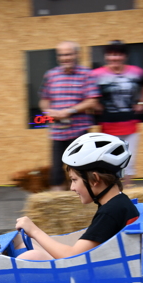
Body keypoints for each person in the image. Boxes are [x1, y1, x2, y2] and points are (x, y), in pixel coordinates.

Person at [15, 133, 138, 261]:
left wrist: (34, 230)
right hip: (99, 266)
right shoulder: (118, 204)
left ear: (94, 179)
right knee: (20, 243)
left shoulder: (110, 212)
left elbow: (73, 256)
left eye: (74, 180)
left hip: (92, 275)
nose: (72, 188)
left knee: (32, 256)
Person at [39, 41, 101, 191]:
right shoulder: (51, 75)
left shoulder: (87, 74)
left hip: (79, 132)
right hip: (57, 133)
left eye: (68, 54)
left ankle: (86, 202)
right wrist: (49, 113)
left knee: (83, 169)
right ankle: (59, 206)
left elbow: (92, 101)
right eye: (61, 55)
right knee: (56, 173)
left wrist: (69, 111)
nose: (65, 58)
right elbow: (44, 100)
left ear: (76, 55)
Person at [91, 40, 143, 186]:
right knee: (110, 161)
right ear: (106, 57)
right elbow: (87, 92)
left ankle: (128, 190)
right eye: (111, 55)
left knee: (129, 161)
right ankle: (113, 192)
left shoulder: (136, 72)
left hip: (130, 125)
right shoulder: (96, 74)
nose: (114, 58)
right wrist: (95, 104)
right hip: (107, 126)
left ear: (125, 56)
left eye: (118, 54)